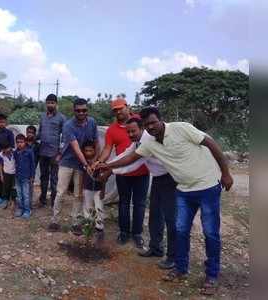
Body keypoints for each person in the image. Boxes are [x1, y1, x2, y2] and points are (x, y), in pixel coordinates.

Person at [95, 106, 234, 296]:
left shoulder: (181, 128)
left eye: (153, 122)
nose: (151, 127)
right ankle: (180, 268)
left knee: (210, 233)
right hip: (184, 189)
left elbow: (210, 143)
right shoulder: (149, 143)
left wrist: (225, 173)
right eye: (147, 124)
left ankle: (212, 275)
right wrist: (107, 166)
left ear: (161, 120)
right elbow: (130, 158)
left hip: (208, 185)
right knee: (180, 230)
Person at [102, 117, 177, 270]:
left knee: (170, 219)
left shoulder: (148, 142)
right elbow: (125, 155)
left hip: (170, 178)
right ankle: (156, 248)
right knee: (155, 216)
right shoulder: (137, 143)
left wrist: (109, 169)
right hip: (157, 178)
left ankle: (173, 256)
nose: (130, 134)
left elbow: (132, 163)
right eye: (128, 132)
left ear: (141, 128)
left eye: (133, 131)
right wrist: (106, 166)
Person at [92, 97, 149, 248]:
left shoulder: (139, 122)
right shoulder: (112, 130)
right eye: (115, 110)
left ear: (127, 106)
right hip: (122, 173)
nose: (118, 112)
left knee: (140, 204)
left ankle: (137, 233)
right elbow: (107, 149)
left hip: (142, 172)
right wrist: (100, 162)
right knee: (123, 203)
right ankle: (124, 232)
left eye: (120, 108)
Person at [48, 98, 99, 235]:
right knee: (61, 192)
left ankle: (75, 223)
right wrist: (86, 164)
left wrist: (95, 161)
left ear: (87, 110)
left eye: (84, 110)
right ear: (74, 111)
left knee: (78, 195)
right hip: (67, 162)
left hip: (83, 165)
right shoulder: (68, 125)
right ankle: (55, 220)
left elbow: (96, 142)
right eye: (78, 110)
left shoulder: (92, 122)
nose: (81, 113)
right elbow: (76, 147)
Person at [37, 94, 66, 208]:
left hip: (55, 154)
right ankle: (43, 199)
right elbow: (40, 133)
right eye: (48, 102)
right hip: (42, 152)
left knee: (54, 178)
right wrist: (31, 138)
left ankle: (54, 201)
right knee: (43, 177)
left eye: (52, 103)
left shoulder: (61, 118)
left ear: (56, 104)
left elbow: (65, 137)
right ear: (46, 104)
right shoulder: (42, 116)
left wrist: (60, 152)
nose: (50, 105)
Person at [81, 140, 106, 242]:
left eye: (90, 151)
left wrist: (103, 190)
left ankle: (99, 227)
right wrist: (81, 189)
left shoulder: (100, 163)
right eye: (86, 151)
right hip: (87, 188)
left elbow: (104, 177)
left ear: (95, 151)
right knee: (87, 206)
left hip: (98, 190)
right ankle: (88, 224)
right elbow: (82, 176)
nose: (88, 153)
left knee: (99, 206)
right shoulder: (84, 163)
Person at [0, 114, 15, 204]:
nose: (2, 124)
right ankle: (1, 196)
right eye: (0, 122)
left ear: (6, 122)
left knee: (7, 179)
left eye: (3, 122)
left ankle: (7, 197)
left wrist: (5, 151)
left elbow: (12, 146)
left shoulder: (9, 133)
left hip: (7, 160)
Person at [13, 134, 35, 219]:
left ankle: (27, 210)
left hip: (26, 177)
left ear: (25, 142)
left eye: (21, 142)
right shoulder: (15, 152)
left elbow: (33, 165)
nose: (19, 144)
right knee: (19, 194)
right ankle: (20, 208)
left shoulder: (29, 152)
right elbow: (14, 163)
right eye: (18, 142)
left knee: (26, 194)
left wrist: (32, 176)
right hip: (17, 176)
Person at [0, 141, 16, 209]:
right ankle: (6, 200)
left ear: (10, 147)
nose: (6, 150)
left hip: (14, 174)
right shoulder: (1, 154)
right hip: (6, 173)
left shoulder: (15, 152)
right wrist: (1, 175)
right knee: (6, 187)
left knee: (14, 187)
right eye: (4, 149)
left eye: (7, 148)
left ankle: (13, 201)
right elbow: (0, 165)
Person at [26, 125, 40, 207]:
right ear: (26, 133)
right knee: (23, 185)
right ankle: (24, 202)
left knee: (30, 185)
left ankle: (29, 203)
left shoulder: (37, 145)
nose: (30, 134)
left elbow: (37, 157)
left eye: (32, 133)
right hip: (23, 168)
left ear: (35, 134)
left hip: (32, 169)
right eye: (28, 132)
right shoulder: (23, 143)